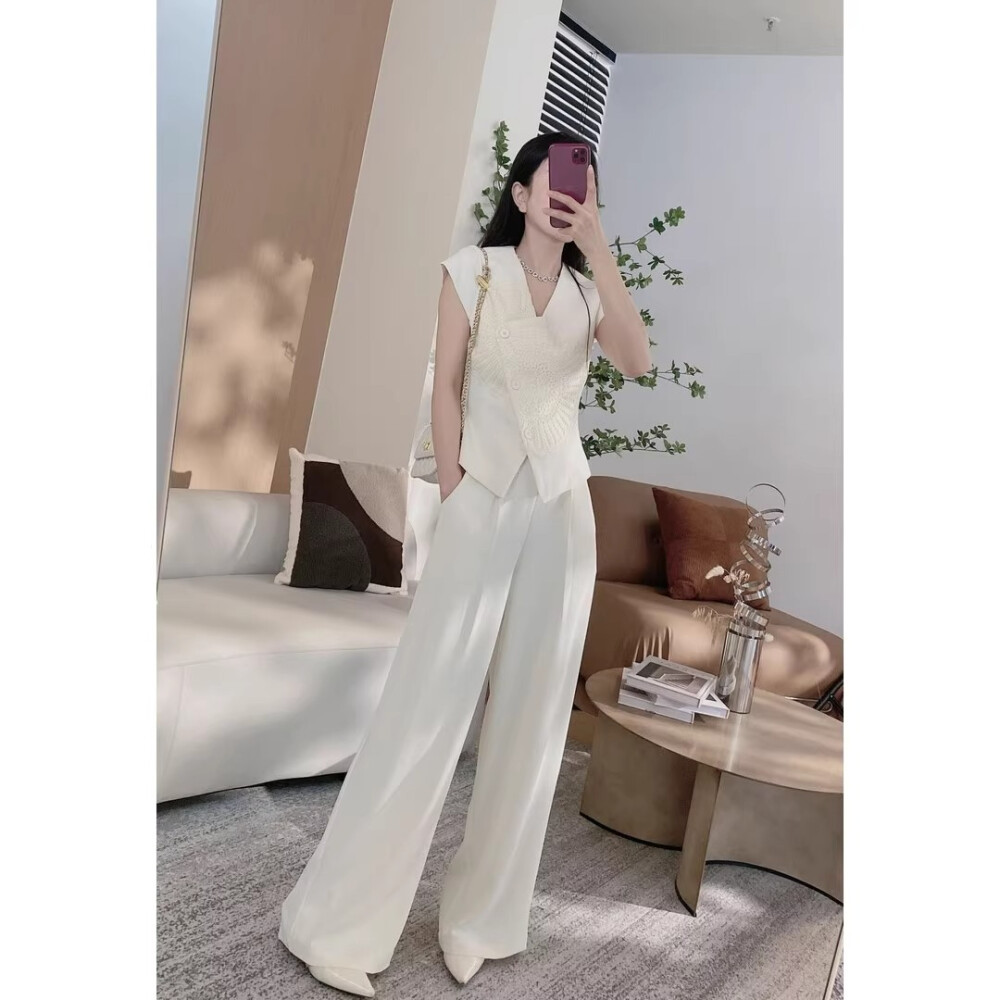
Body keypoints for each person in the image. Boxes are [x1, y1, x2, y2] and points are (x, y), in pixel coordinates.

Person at [277, 131, 653, 996]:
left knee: (532, 720)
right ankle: (341, 923)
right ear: (521, 193)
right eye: (555, 182)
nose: (568, 196)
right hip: (481, 495)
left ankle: (480, 919)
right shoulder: (471, 272)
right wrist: (454, 491)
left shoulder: (588, 293)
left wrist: (600, 248)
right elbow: (445, 385)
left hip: (563, 513)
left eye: (584, 187)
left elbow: (637, 362)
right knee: (428, 704)